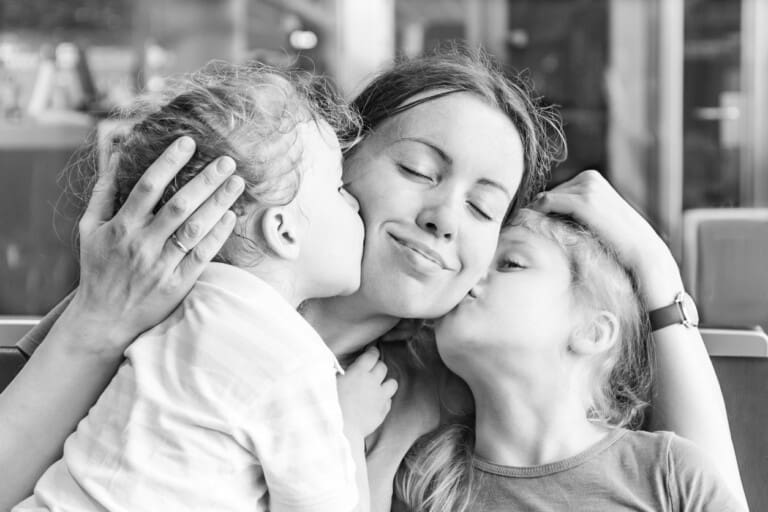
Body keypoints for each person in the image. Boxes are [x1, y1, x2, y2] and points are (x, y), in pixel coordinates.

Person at [0, 47, 747, 511]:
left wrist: (656, 275)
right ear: (334, 167)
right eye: (419, 169)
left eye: (485, 208)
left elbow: (696, 488)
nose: (444, 217)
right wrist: (99, 320)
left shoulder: (444, 382)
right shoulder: (174, 282)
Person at [13, 62, 395, 512]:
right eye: (337, 187)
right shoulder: (293, 359)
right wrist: (345, 425)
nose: (354, 202)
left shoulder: (164, 299)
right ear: (284, 231)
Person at [395, 209, 746, 511]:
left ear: (592, 332)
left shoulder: (669, 471)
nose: (470, 277)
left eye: (511, 264)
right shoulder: (422, 485)